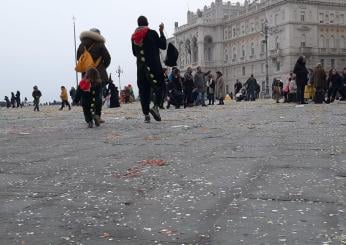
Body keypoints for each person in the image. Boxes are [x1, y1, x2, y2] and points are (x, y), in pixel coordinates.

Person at [131, 16, 166, 123]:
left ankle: (146, 115)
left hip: (141, 69)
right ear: (147, 23)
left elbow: (134, 53)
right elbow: (163, 45)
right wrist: (161, 32)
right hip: (154, 67)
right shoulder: (152, 33)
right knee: (160, 86)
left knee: (144, 91)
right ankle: (155, 107)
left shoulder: (133, 37)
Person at [77, 28, 111, 122]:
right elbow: (107, 58)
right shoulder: (100, 44)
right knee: (98, 96)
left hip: (86, 75)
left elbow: (78, 58)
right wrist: (103, 67)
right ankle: (97, 115)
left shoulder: (81, 45)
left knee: (86, 97)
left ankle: (89, 117)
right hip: (98, 74)